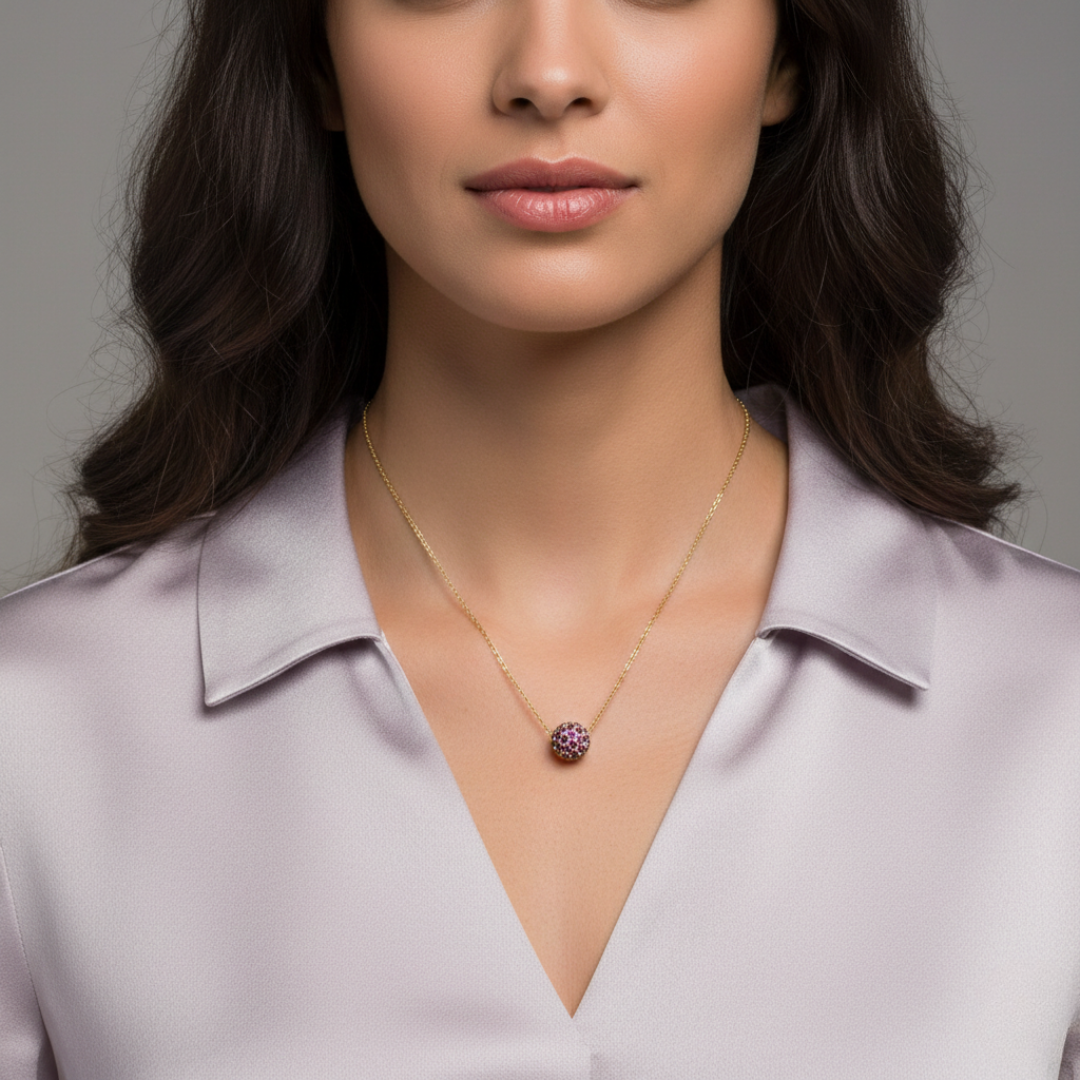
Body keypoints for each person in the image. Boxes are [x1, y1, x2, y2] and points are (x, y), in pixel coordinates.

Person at [1, 0, 1078, 1074]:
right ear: (317, 60)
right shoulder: (39, 722)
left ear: (789, 54)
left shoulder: (1052, 708)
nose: (548, 74)